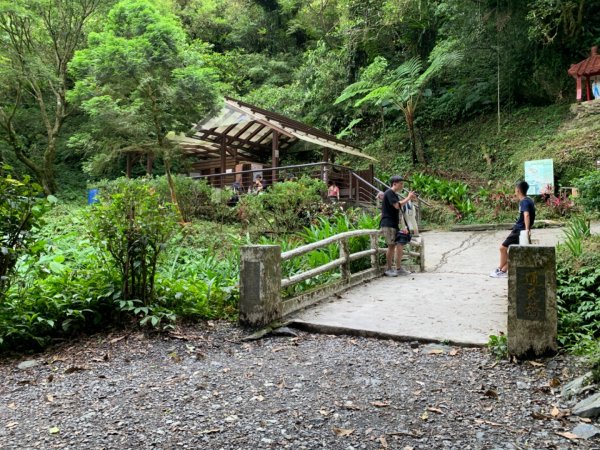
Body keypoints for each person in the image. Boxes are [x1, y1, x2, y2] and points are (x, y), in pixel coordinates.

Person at [490, 180, 536, 278]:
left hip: (519, 230)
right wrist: (528, 230)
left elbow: (526, 215)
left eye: (515, 189)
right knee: (516, 253)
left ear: (518, 190)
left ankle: (501, 271)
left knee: (503, 248)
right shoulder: (529, 200)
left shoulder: (524, 202)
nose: (515, 190)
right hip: (522, 230)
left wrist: (526, 230)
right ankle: (502, 270)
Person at [380, 175, 417, 277]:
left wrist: (403, 226)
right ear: (394, 184)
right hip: (388, 223)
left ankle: (399, 268)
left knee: (400, 244)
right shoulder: (389, 193)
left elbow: (399, 208)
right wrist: (408, 197)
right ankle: (388, 269)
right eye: (401, 183)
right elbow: (397, 205)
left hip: (394, 224)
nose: (402, 185)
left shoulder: (394, 194)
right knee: (391, 246)